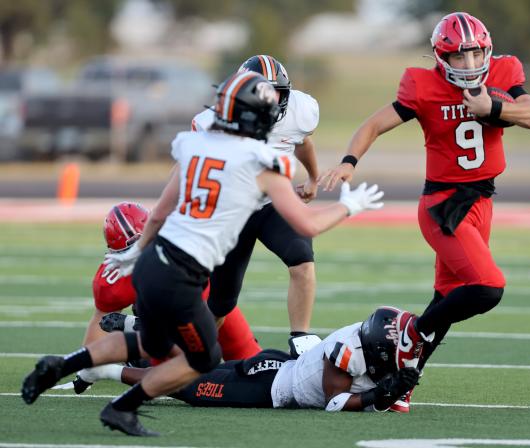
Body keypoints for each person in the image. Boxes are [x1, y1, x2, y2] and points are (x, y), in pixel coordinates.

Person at [21, 70, 384, 437]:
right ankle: (121, 406)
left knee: (152, 342)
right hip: (183, 275)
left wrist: (137, 254)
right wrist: (349, 207)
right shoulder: (262, 164)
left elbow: (160, 212)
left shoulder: (196, 146)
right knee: (203, 359)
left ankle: (65, 364)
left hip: (153, 263)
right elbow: (307, 225)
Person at [319, 12, 530, 412]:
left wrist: (492, 106)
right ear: (441, 57)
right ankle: (411, 331)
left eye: (476, 53)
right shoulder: (422, 84)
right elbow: (374, 124)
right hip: (444, 205)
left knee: (447, 298)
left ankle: (399, 385)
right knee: (487, 287)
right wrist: (349, 161)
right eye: (459, 57)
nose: (470, 63)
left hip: (482, 202)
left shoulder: (504, 72)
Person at [192, 55, 323, 356]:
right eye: (260, 91)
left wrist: (314, 178)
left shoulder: (299, 111)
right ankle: (188, 358)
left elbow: (302, 141)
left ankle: (301, 340)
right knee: (221, 302)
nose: (269, 99)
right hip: (231, 211)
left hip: (273, 203)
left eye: (275, 91)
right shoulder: (213, 122)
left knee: (302, 260)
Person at [62, 201, 262, 395]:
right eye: (130, 251)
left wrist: (133, 325)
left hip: (210, 309)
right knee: (184, 380)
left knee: (255, 369)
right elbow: (98, 328)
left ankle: (137, 339)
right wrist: (85, 368)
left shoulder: (181, 253)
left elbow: (201, 320)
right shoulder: (115, 279)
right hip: (171, 325)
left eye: (143, 244)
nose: (139, 254)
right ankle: (139, 360)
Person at [74, 307, 420, 412]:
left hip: (278, 368)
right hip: (268, 385)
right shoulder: (346, 351)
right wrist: (379, 395)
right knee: (187, 384)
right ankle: (103, 368)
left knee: (194, 366)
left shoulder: (378, 348)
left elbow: (395, 406)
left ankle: (140, 327)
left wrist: (389, 393)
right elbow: (336, 403)